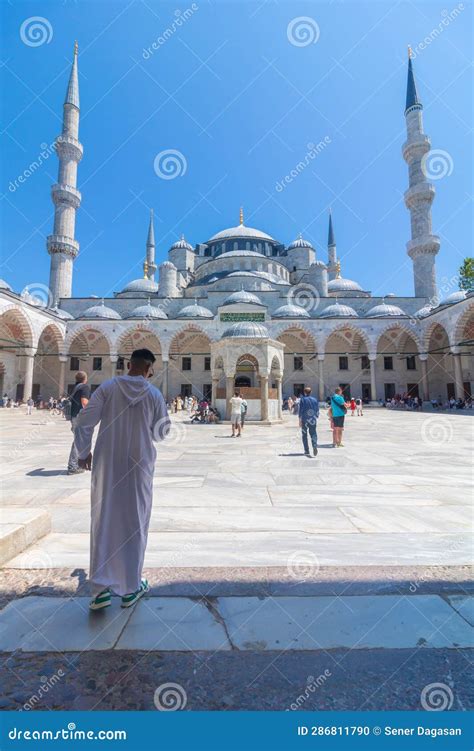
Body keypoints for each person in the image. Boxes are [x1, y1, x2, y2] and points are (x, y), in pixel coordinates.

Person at [74, 348, 170, 612]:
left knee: (103, 519)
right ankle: (130, 587)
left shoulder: (107, 388)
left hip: (107, 465)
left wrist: (83, 452)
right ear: (150, 368)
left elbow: (84, 422)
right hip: (139, 467)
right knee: (135, 521)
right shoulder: (154, 394)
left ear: (129, 364)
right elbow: (162, 433)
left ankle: (100, 591)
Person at [67, 371, 91, 475]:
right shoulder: (84, 387)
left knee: (78, 440)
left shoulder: (75, 387)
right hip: (79, 416)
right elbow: (84, 402)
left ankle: (75, 464)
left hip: (73, 416)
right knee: (78, 441)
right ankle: (72, 466)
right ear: (85, 379)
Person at [298, 386, 319, 457]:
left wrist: (299, 420)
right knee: (313, 433)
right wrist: (316, 416)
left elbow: (300, 410)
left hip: (304, 420)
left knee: (304, 435)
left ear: (304, 392)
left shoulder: (302, 400)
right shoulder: (315, 399)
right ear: (311, 392)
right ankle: (314, 445)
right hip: (312, 419)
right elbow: (317, 409)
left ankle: (306, 450)